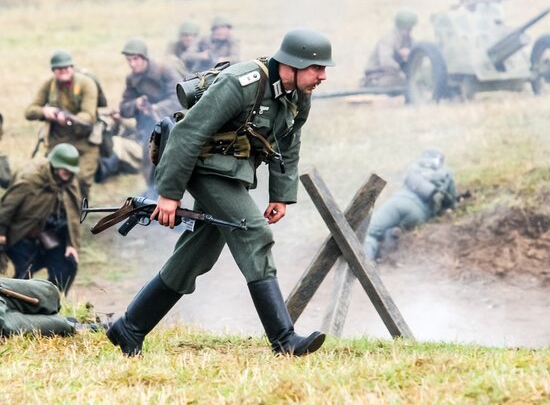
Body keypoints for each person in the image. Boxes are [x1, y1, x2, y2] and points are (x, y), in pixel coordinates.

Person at [105, 28, 335, 357]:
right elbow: (187, 134)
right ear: (293, 65)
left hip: (233, 173)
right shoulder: (242, 82)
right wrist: (169, 194)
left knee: (196, 254)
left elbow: (289, 142)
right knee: (254, 233)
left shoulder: (299, 95)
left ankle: (129, 328)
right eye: (317, 68)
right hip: (201, 168)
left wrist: (281, 193)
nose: (323, 76)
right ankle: (284, 340)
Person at [0, 144, 82, 295]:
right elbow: (8, 206)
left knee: (67, 265)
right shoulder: (30, 180)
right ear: (55, 165)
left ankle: (53, 302)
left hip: (51, 235)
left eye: (71, 170)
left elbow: (73, 215)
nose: (68, 173)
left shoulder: (69, 182)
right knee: (24, 277)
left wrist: (71, 244)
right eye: (65, 169)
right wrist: (0, 233)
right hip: (23, 234)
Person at [25, 50, 100, 198]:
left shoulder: (86, 84)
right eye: (59, 69)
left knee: (81, 179)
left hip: (84, 141)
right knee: (50, 177)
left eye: (67, 67)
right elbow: (29, 111)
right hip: (58, 142)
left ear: (72, 67)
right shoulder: (49, 85)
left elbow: (88, 117)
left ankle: (80, 208)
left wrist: (68, 118)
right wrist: (46, 112)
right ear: (53, 70)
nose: (63, 71)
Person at [363, 149, 457, 261]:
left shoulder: (416, 167)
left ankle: (363, 267)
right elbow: (452, 203)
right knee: (389, 230)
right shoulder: (447, 174)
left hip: (400, 202)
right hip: (420, 215)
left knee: (369, 232)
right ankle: (389, 247)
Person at [118, 38, 182, 198]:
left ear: (144, 58)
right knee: (149, 160)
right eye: (129, 60)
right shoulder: (132, 79)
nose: (132, 64)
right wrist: (136, 104)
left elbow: (179, 98)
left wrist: (156, 108)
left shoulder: (163, 70)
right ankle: (154, 194)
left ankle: (171, 194)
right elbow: (124, 108)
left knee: (173, 158)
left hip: (174, 122)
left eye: (136, 59)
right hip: (149, 126)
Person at [361, 9, 418, 88]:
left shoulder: (409, 40)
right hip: (377, 76)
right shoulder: (388, 39)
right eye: (407, 28)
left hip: (395, 75)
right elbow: (386, 62)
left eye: (410, 28)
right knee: (402, 82)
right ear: (400, 26)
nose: (408, 31)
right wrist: (402, 70)